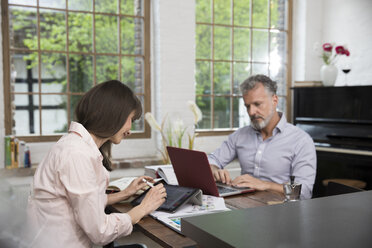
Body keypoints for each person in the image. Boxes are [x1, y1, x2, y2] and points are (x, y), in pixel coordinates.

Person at [27, 80, 167, 247]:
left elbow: (80, 204)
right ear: (114, 116)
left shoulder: (73, 145)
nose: (130, 129)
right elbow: (100, 231)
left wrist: (124, 194)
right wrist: (142, 209)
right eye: (130, 119)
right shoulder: (77, 154)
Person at [208, 75, 316, 200]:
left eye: (257, 104)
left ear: (275, 100)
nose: (251, 112)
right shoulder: (240, 135)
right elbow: (212, 160)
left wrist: (264, 185)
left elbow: (304, 191)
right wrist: (215, 170)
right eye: (247, 106)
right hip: (245, 207)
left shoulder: (301, 140)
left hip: (281, 211)